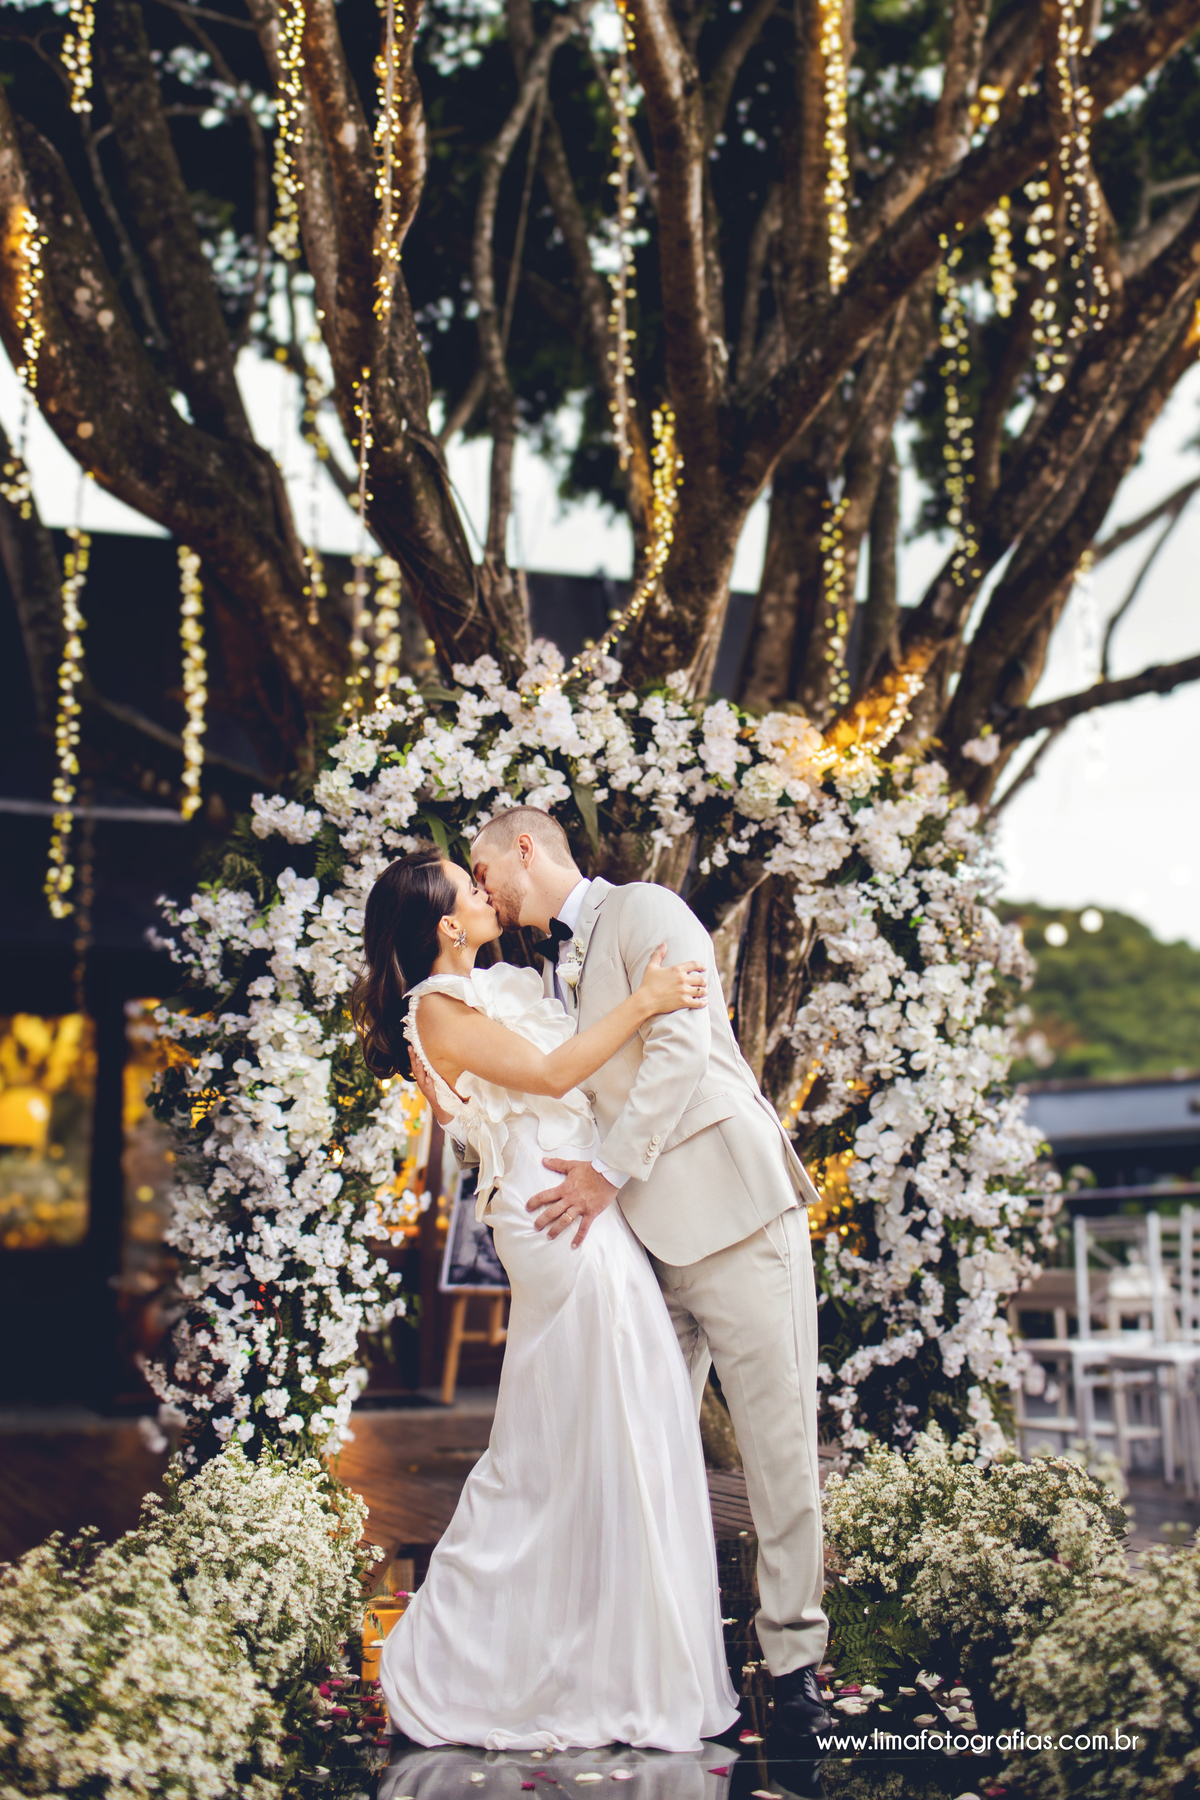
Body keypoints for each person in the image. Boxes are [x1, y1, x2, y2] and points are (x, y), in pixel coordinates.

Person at [350, 847, 740, 1753]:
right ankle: (461, 1661)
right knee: (579, 1437)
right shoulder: (438, 1011)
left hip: (566, 1201)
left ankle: (600, 1657)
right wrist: (647, 1004)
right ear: (448, 923)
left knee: (608, 1427)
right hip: (555, 1214)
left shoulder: (487, 985)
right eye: (468, 886)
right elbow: (557, 1076)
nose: (486, 893)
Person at [456, 807, 833, 1742]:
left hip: (736, 1217)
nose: (480, 884)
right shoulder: (533, 966)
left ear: (527, 849)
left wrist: (606, 1174)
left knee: (778, 1449)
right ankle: (662, 1658)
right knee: (642, 1457)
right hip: (640, 1257)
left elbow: (678, 1052)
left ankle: (792, 1666)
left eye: (481, 865)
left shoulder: (650, 910)